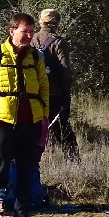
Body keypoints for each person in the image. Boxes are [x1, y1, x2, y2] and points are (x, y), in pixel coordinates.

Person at [0, 12, 50, 217]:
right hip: (6, 123)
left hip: (32, 123)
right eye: (24, 31)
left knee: (27, 171)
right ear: (12, 31)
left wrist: (43, 113)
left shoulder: (36, 56)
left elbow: (44, 87)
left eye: (31, 31)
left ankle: (22, 215)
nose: (28, 35)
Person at [33, 9, 79, 159]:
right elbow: (65, 70)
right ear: (56, 23)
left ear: (41, 22)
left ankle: (34, 160)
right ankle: (72, 160)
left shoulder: (31, 39)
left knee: (34, 128)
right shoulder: (59, 42)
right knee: (62, 128)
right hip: (55, 93)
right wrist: (67, 93)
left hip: (34, 93)